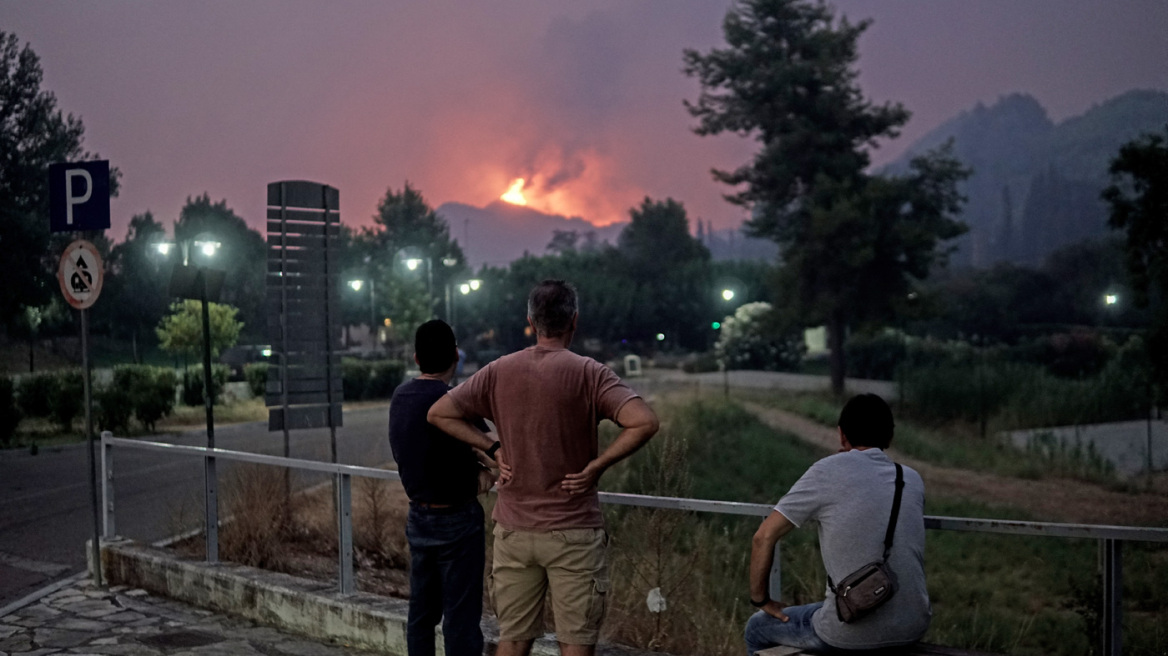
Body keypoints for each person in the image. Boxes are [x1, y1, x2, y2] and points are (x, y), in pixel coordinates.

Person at [428, 279, 660, 656]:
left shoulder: (498, 370)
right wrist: (598, 466)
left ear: (531, 322)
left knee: (513, 640)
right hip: (574, 531)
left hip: (514, 531)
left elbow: (439, 413)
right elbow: (644, 421)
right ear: (575, 321)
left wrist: (492, 447)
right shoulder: (589, 372)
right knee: (575, 644)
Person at [744, 394, 930, 654]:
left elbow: (763, 537)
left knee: (756, 629)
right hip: (913, 625)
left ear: (842, 435)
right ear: (890, 436)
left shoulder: (827, 471)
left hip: (849, 633)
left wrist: (760, 599)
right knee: (821, 611)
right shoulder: (911, 479)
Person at [389, 319, 495, 656]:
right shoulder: (455, 401)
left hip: (418, 516)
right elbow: (492, 449)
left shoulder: (400, 396)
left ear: (417, 358)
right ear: (455, 356)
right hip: (458, 521)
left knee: (420, 616)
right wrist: (483, 473)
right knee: (460, 621)